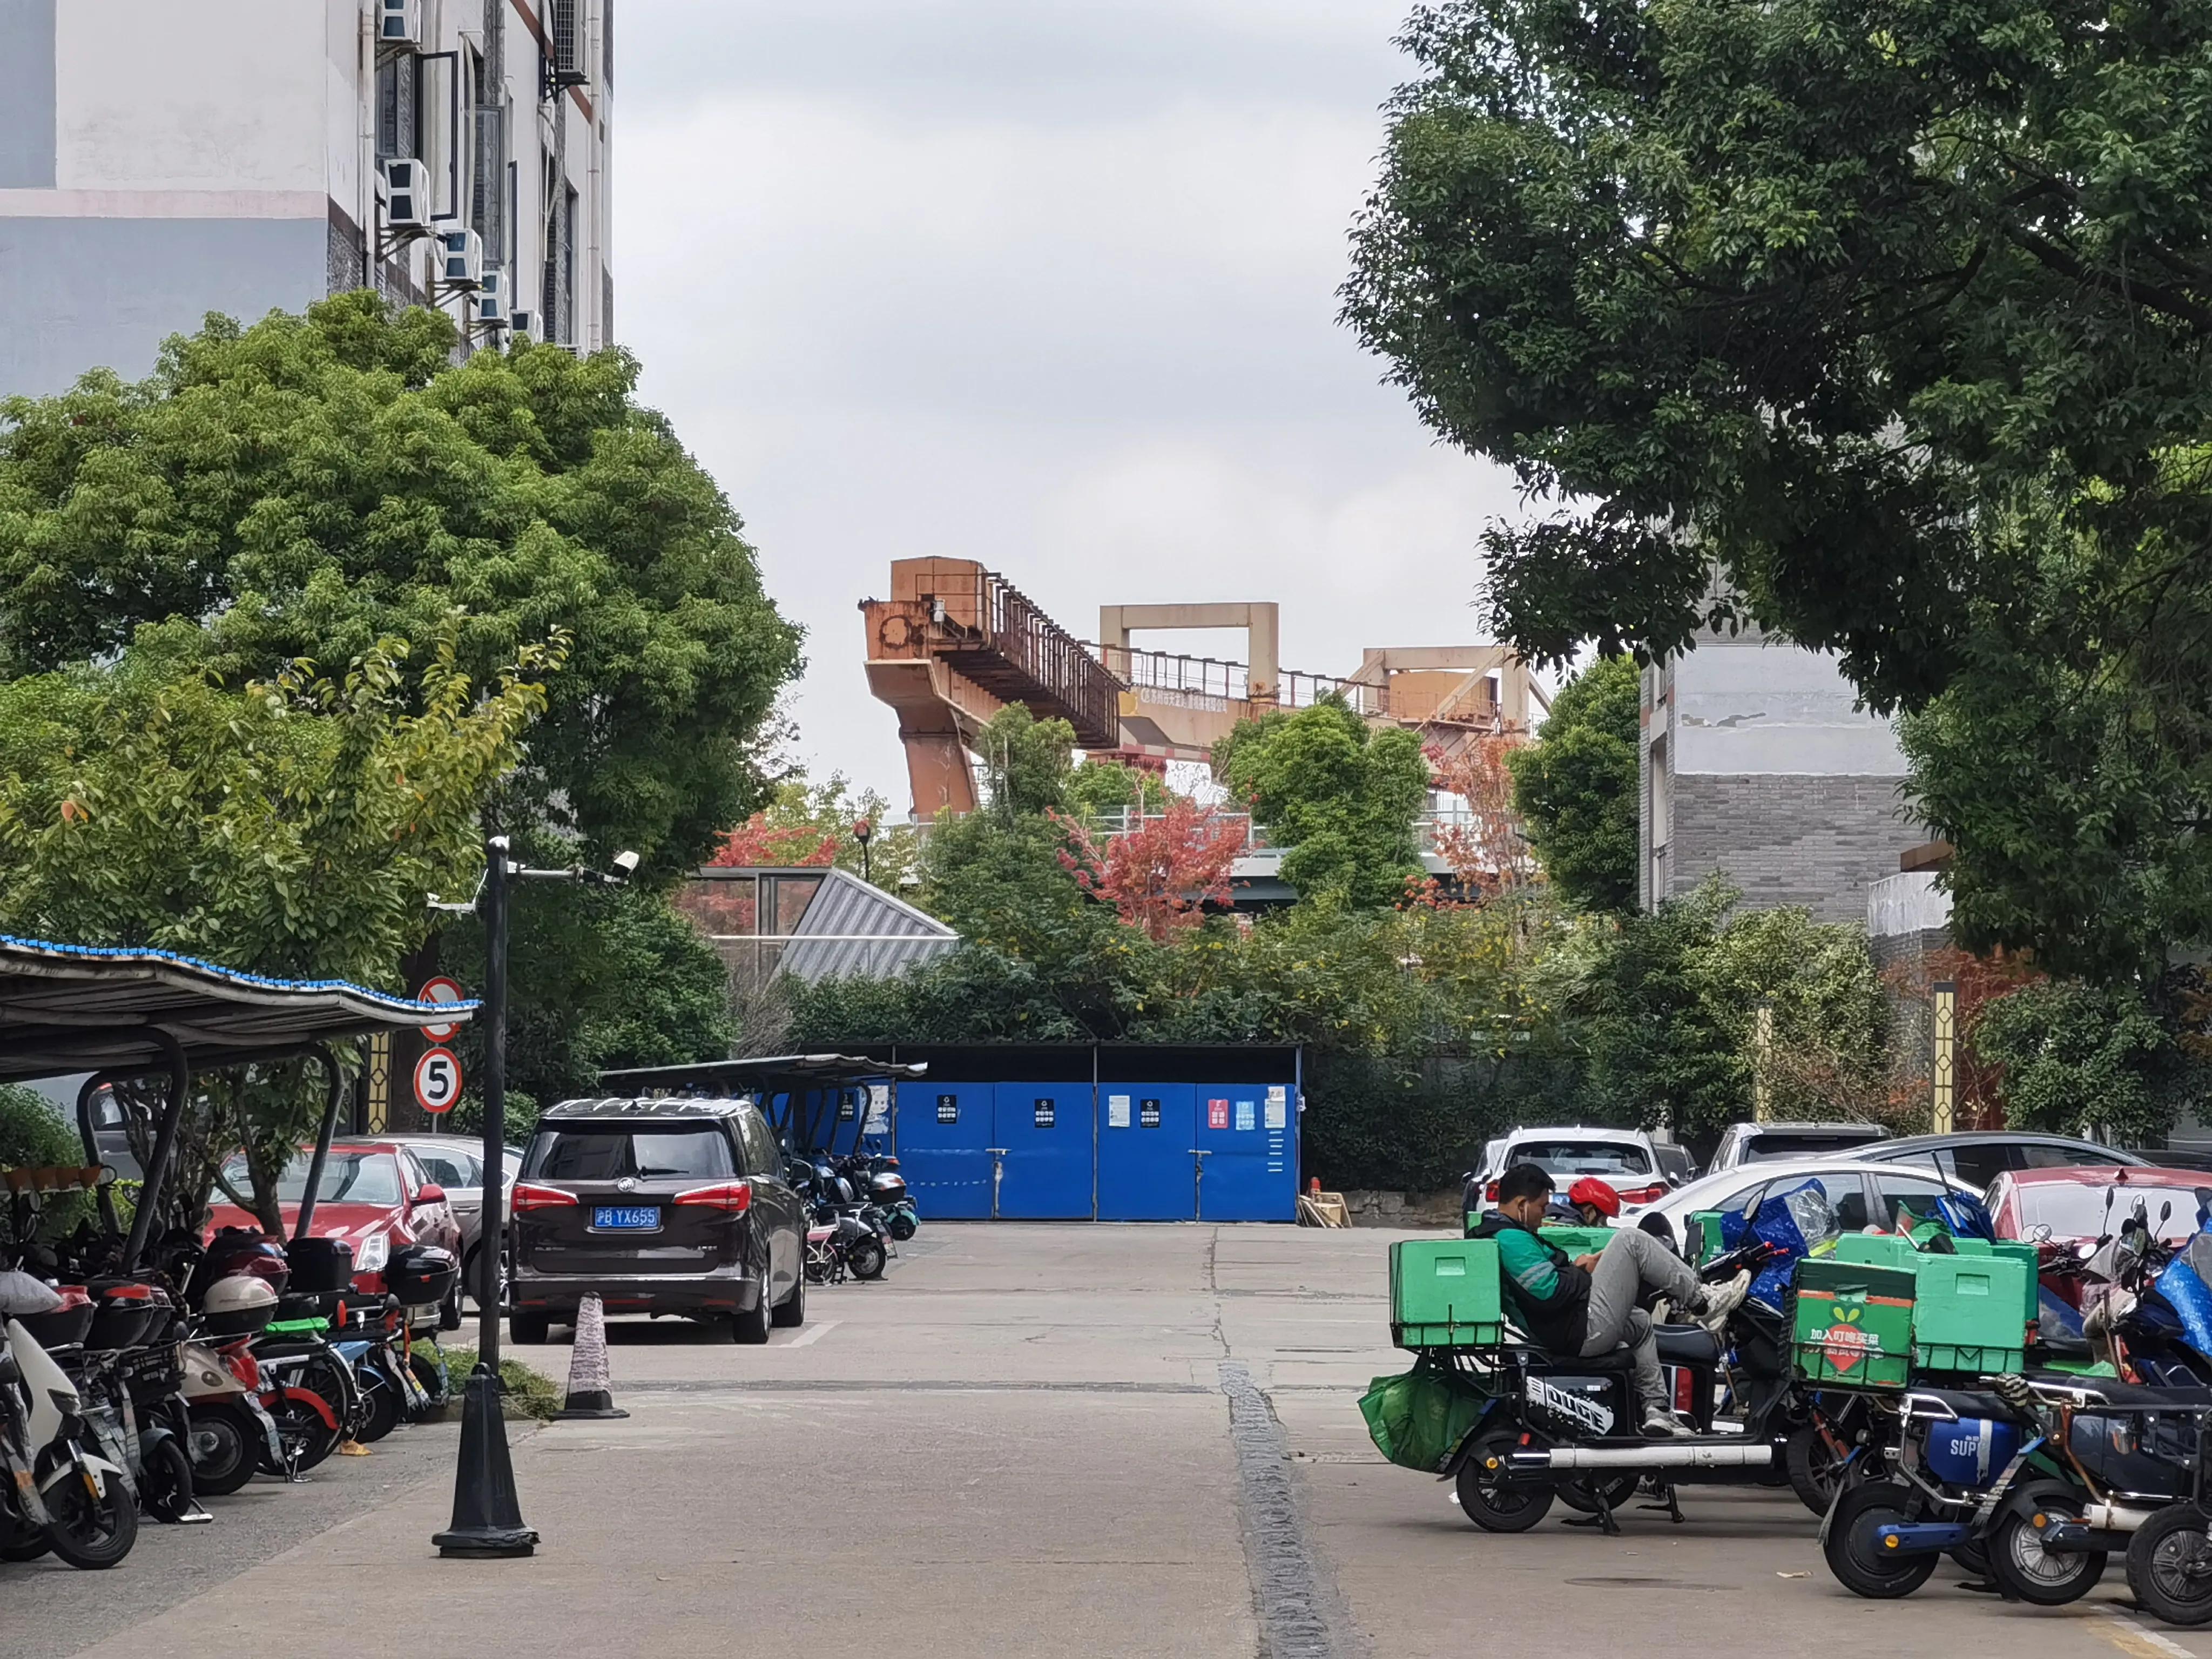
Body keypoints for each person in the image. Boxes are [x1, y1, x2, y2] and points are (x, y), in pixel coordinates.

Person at [1473, 1162, 1749, 1437]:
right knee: (1631, 1240)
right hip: (1580, 1331)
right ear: (1521, 1204)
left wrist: (1578, 1269)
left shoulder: (1508, 1234)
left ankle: (1658, 1412)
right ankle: (1704, 1303)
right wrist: (1582, 1270)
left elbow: (1548, 1287)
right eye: (1541, 1207)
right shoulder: (1511, 1239)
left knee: (1640, 1322)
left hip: (1568, 1329)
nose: (1543, 1215)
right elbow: (1551, 1293)